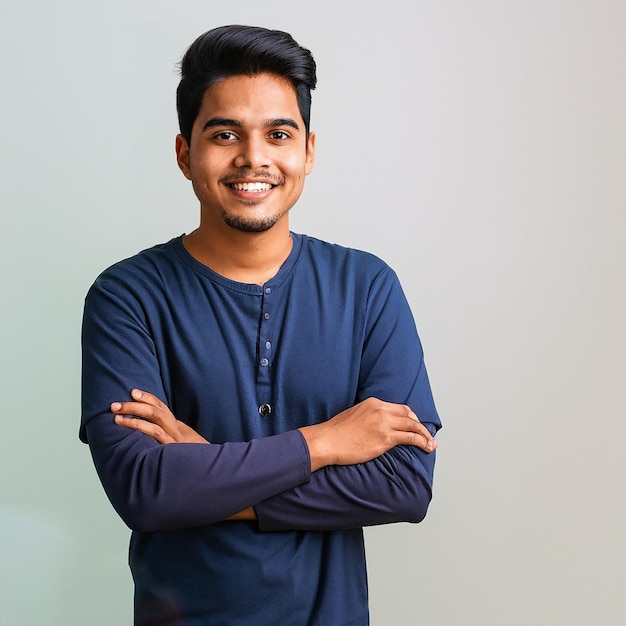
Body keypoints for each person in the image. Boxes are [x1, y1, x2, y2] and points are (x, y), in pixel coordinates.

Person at [80, 24, 442, 626]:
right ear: (183, 152)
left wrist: (209, 468)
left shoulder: (367, 287)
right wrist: (324, 444)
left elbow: (404, 483)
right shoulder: (128, 296)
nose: (254, 158)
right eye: (225, 134)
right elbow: (145, 489)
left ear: (308, 151)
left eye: (279, 133)